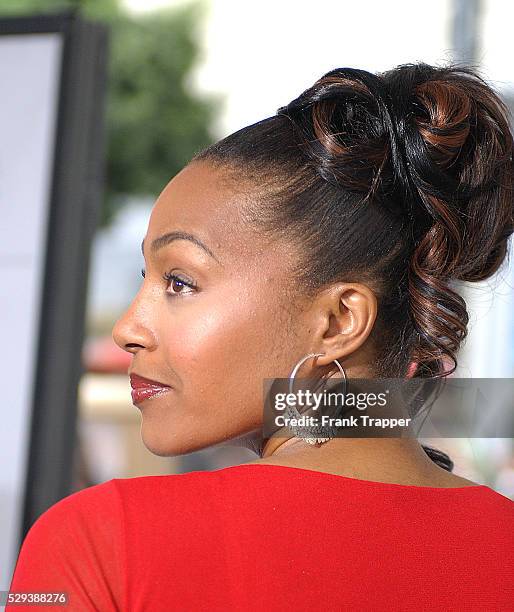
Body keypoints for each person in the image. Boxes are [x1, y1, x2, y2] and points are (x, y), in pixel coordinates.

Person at [7, 61, 514, 611]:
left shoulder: (102, 542)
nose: (128, 328)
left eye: (179, 281)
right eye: (145, 279)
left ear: (339, 322)